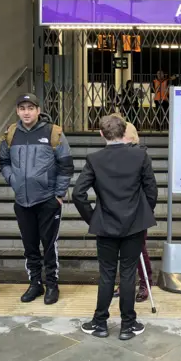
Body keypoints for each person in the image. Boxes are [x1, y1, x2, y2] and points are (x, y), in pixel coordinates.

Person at [73, 115, 157, 340]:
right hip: (134, 225)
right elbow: (151, 191)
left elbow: (78, 194)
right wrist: (142, 213)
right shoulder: (140, 156)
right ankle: (127, 325)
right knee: (129, 274)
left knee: (106, 274)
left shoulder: (94, 159)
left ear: (101, 134)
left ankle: (100, 323)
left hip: (105, 224)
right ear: (124, 132)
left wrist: (93, 218)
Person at [0, 93, 74, 305]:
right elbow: (3, 161)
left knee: (49, 246)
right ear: (17, 111)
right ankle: (35, 284)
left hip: (47, 200)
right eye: (22, 108)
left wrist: (58, 194)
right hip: (22, 200)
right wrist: (12, 179)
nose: (26, 112)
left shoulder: (53, 132)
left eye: (30, 107)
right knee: (29, 245)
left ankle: (51, 284)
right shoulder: (11, 134)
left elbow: (66, 165)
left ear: (38, 110)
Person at [110, 114, 153, 303]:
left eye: (122, 134)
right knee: (122, 250)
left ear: (131, 137)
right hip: (118, 209)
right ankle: (125, 283)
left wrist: (144, 209)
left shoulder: (140, 155)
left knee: (139, 249)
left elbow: (149, 187)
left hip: (136, 209)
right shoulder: (114, 153)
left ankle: (145, 283)